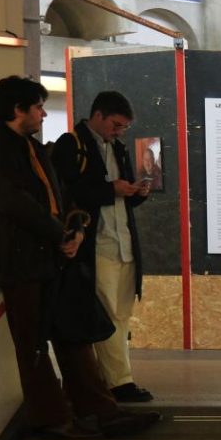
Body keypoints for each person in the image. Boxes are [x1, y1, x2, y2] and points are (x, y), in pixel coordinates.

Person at [0, 76, 157, 440]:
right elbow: (13, 203)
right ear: (18, 109)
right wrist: (61, 233)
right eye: (38, 107)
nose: (43, 114)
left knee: (74, 335)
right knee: (34, 345)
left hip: (51, 259)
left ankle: (101, 411)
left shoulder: (33, 149)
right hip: (18, 262)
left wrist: (77, 227)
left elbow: (62, 195)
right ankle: (52, 419)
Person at [51, 90, 153, 404]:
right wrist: (112, 189)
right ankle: (118, 382)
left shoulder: (118, 148)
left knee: (121, 315)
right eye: (116, 125)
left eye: (124, 127)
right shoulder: (72, 144)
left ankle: (114, 379)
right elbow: (68, 192)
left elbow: (120, 200)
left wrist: (136, 193)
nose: (119, 132)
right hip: (96, 245)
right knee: (106, 315)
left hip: (124, 244)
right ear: (98, 115)